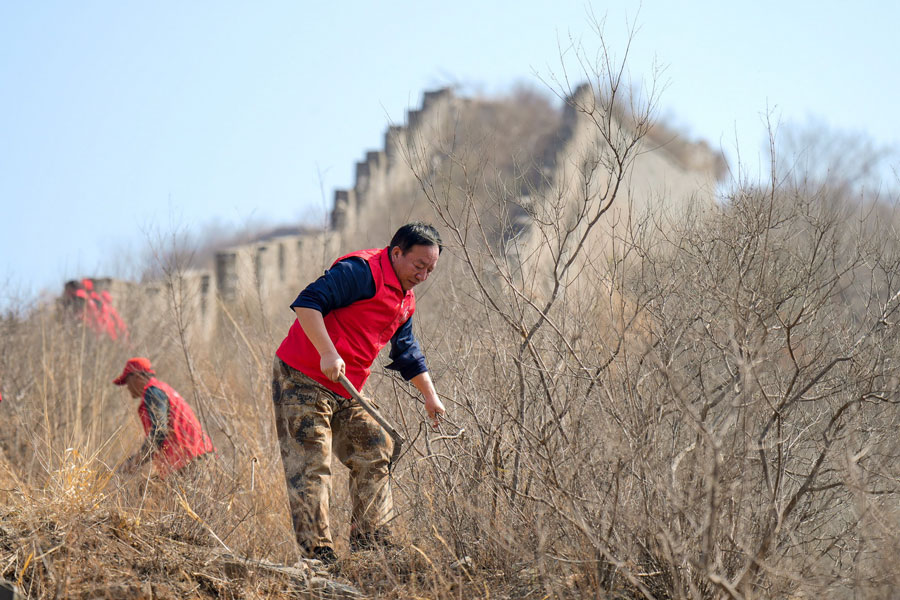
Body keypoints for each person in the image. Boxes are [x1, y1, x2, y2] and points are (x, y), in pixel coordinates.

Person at [273, 222, 446, 565]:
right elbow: (308, 303)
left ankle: (372, 542)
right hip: (301, 378)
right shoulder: (360, 271)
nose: (423, 275)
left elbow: (407, 350)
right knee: (312, 465)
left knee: (377, 443)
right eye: (418, 266)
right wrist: (327, 351)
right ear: (397, 253)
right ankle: (317, 557)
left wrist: (430, 394)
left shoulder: (404, 299)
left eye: (430, 269)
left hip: (347, 390)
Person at [113, 357, 215, 480]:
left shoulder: (153, 392)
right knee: (149, 490)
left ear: (137, 377)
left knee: (150, 492)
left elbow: (159, 431)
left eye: (127, 381)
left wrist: (136, 461)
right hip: (197, 456)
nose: (127, 387)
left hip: (190, 461)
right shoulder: (162, 389)